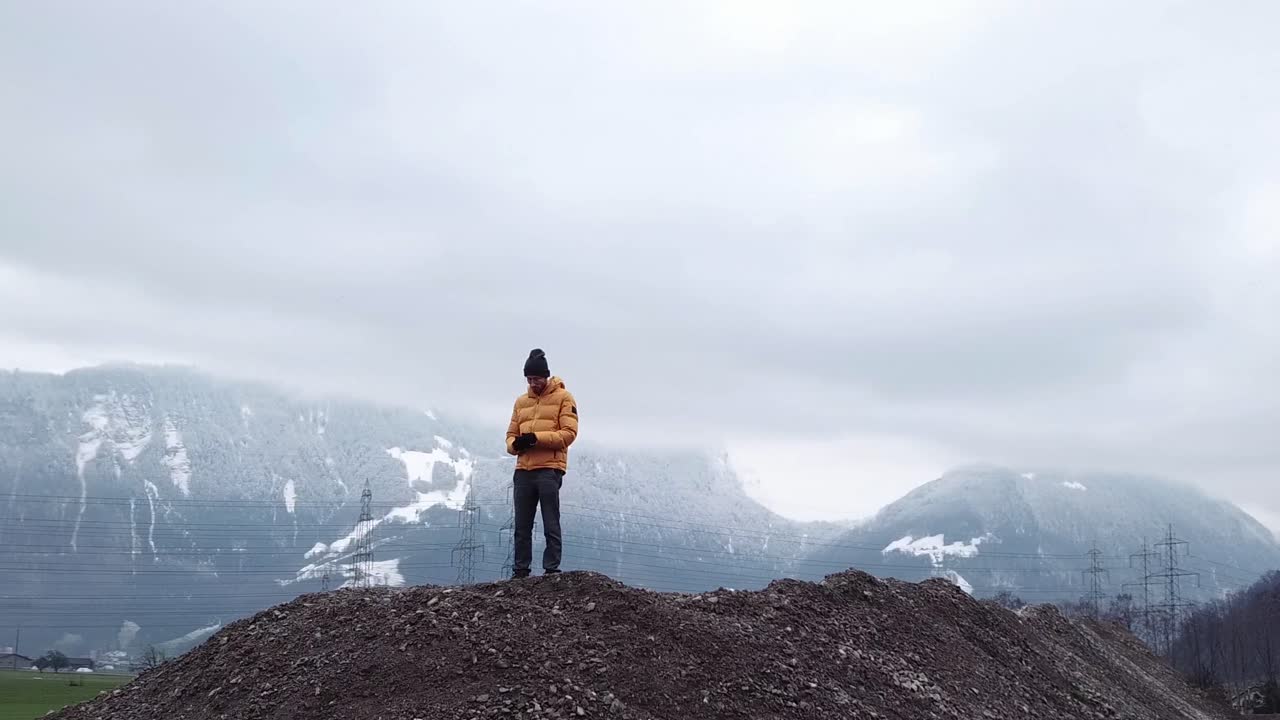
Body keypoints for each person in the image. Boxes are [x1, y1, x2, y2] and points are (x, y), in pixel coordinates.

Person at [506, 348, 579, 578]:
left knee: (550, 522)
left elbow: (568, 434)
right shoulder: (520, 402)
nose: (532, 383)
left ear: (545, 376)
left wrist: (537, 439)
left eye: (536, 378)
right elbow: (509, 436)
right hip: (524, 470)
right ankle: (520, 571)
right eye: (529, 379)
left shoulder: (564, 398)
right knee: (521, 526)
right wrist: (516, 445)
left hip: (549, 469)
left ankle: (551, 570)